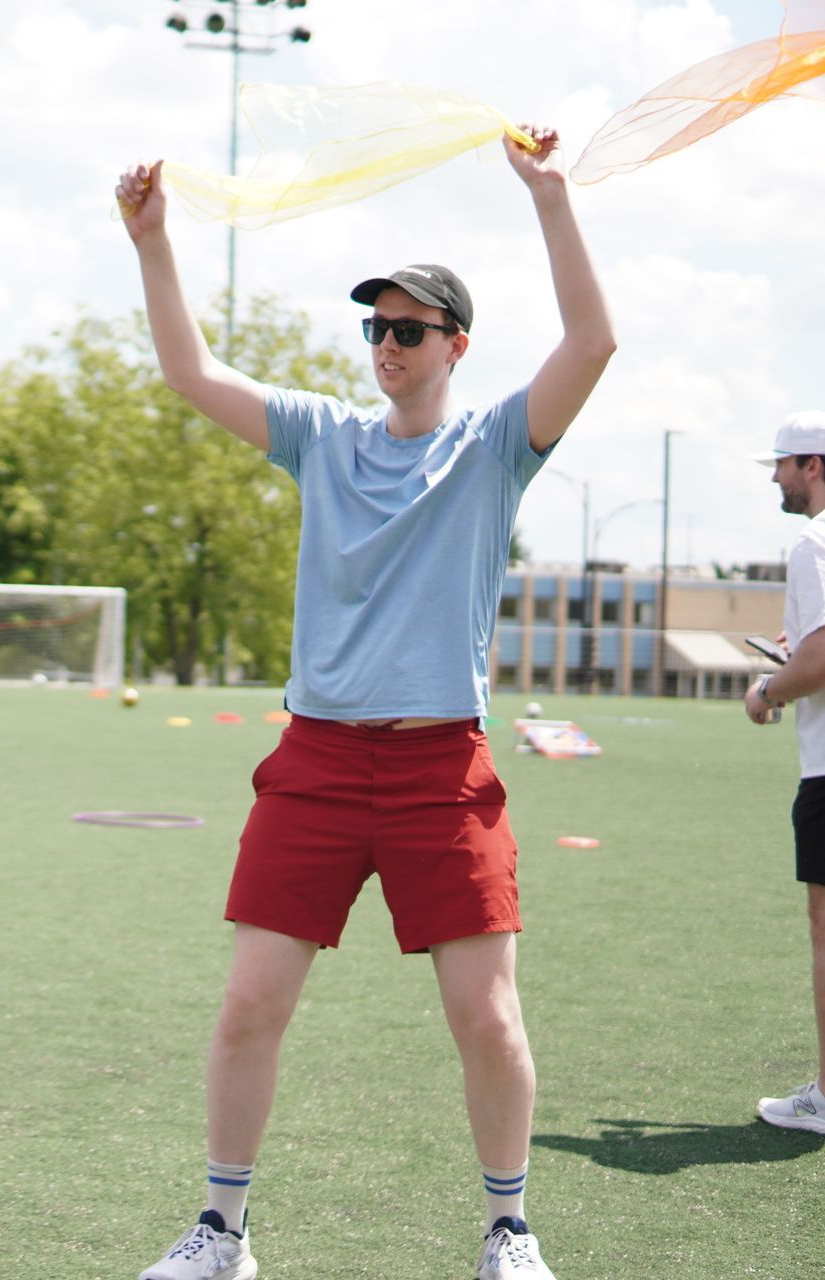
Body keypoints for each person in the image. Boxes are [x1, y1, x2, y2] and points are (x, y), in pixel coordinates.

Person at [116, 122, 614, 1280]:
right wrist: (154, 244)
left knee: (487, 1015)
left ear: (455, 343)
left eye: (407, 328)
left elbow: (595, 341)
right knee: (248, 1002)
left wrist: (550, 199)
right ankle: (223, 1232)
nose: (384, 344)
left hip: (442, 765)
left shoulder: (497, 445)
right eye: (374, 327)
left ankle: (508, 1227)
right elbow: (191, 372)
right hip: (320, 759)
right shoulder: (324, 437)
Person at [743, 410, 825, 1135]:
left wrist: (768, 689)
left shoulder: (813, 543)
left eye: (782, 464)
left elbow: (823, 657)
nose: (775, 477)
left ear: (814, 465)